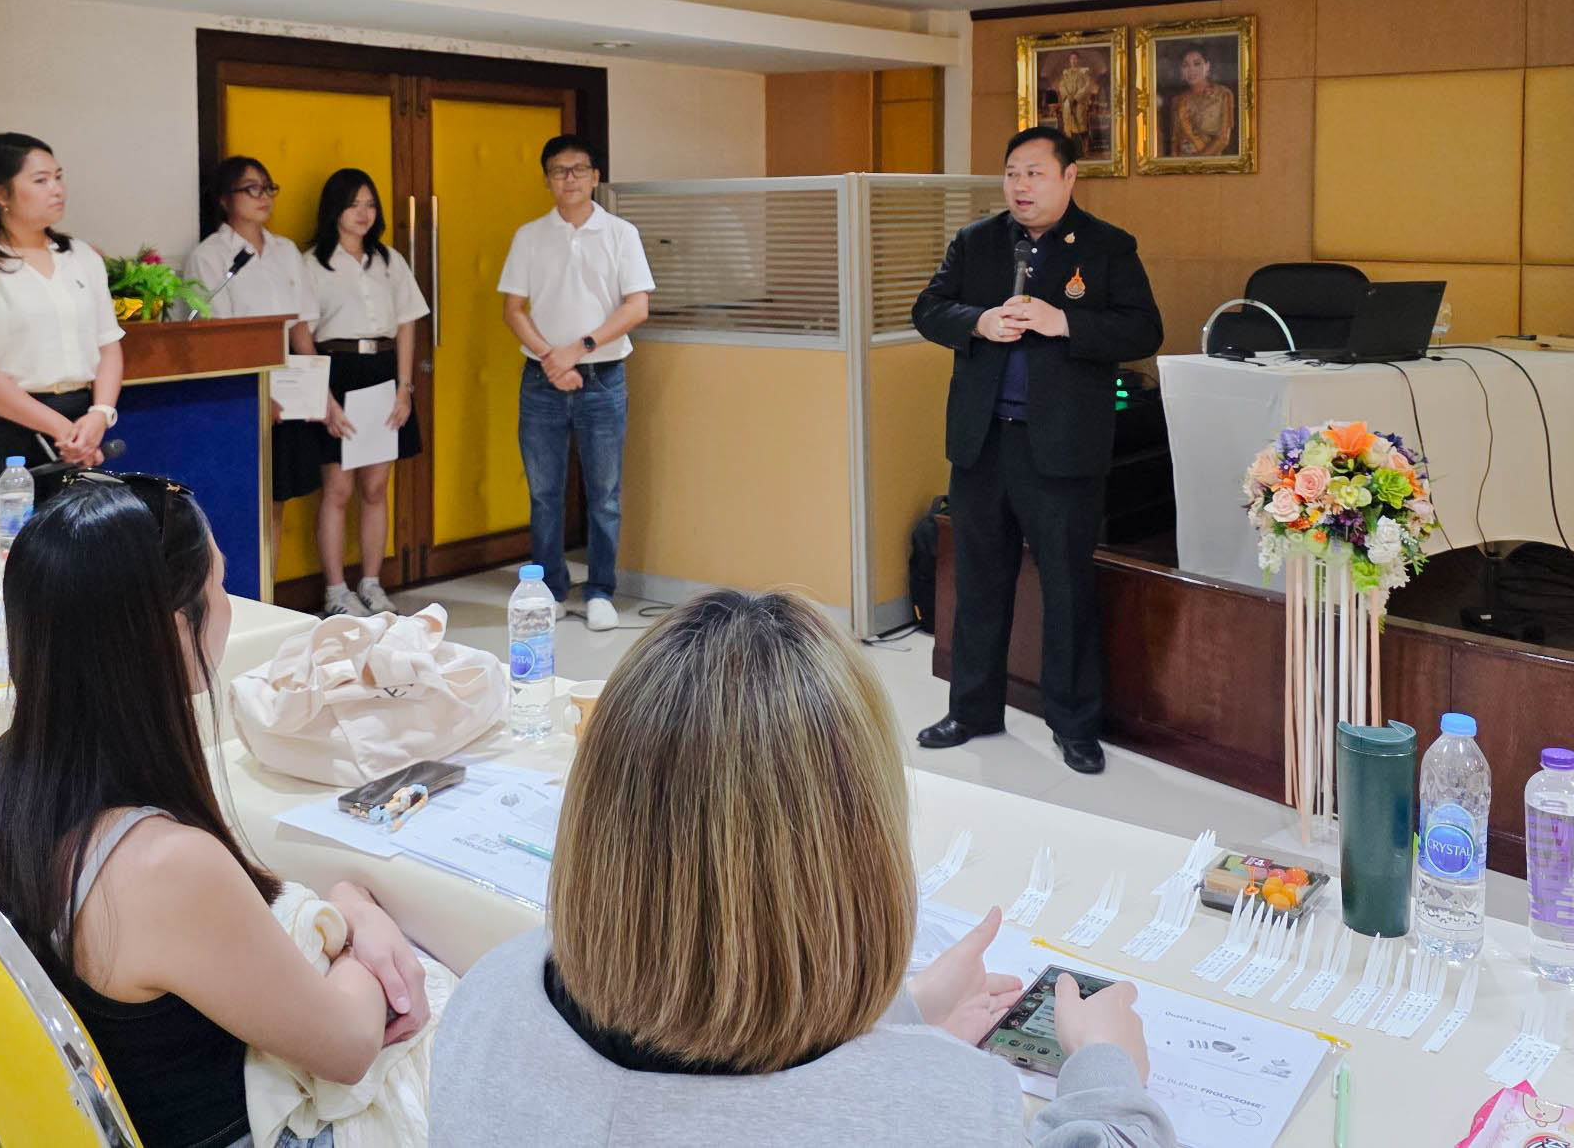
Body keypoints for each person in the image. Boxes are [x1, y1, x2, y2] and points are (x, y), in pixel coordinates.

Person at [429, 588, 1171, 1148]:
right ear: (860, 863)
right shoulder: (947, 1109)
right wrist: (1107, 1070)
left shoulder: (490, 1001)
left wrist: (900, 1013)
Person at [0, 477, 427, 1148]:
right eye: (220, 586)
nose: (228, 607)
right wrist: (361, 915)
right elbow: (349, 1045)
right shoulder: (160, 864)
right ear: (177, 630)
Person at [912, 127, 1163, 776]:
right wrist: (977, 321)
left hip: (1063, 448)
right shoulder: (975, 242)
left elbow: (1144, 329)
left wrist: (1064, 322)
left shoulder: (1107, 246)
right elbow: (928, 308)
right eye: (1012, 173)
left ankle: (1074, 726)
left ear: (1069, 176)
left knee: (1067, 587)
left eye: (1035, 173)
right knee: (977, 580)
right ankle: (972, 710)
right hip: (983, 442)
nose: (1020, 186)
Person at [497, 134, 652, 633]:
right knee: (544, 493)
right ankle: (550, 589)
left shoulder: (621, 234)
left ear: (595, 176)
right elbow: (513, 309)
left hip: (602, 377)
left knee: (604, 494)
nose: (570, 179)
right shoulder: (529, 236)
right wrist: (551, 358)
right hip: (541, 380)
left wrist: (578, 349)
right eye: (559, 171)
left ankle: (601, 589)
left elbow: (637, 306)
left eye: (579, 169)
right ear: (547, 179)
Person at [0, 132, 124, 515]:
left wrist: (100, 414)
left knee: (80, 546)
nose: (57, 189)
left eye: (58, 177)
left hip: (80, 429)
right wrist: (59, 427)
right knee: (4, 548)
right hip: (0, 432)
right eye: (40, 180)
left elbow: (108, 345)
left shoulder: (81, 256)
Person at [303, 170, 427, 619]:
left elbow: (408, 323)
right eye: (354, 204)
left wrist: (404, 387)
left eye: (370, 204)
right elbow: (301, 333)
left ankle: (372, 583)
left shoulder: (389, 259)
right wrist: (323, 398)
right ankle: (336, 591)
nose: (363, 212)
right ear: (334, 208)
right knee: (337, 488)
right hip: (336, 370)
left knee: (376, 487)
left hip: (383, 371)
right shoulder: (312, 263)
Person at [184, 156, 324, 543]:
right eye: (251, 189)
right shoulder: (210, 256)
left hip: (289, 388)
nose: (264, 197)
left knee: (277, 499)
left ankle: (270, 583)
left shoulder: (285, 250)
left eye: (268, 188)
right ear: (224, 199)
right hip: (239, 391)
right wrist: (259, 395)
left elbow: (300, 325)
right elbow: (216, 338)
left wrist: (318, 391)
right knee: (244, 502)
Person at [1170, 46, 1235, 159]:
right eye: (1185, 65)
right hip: (1182, 164)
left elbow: (1223, 139)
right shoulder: (1178, 101)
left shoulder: (1223, 94)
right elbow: (1175, 140)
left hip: (1212, 163)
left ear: (1207, 66)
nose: (1191, 70)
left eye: (1197, 64)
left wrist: (1197, 160)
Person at [1052, 51, 1100, 152]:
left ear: (1078, 60)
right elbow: (1062, 86)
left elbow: (1087, 85)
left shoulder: (1083, 72)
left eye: (1075, 58)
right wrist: (1068, 96)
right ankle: (1070, 149)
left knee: (1081, 124)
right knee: (1068, 124)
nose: (1073, 61)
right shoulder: (1066, 73)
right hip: (1067, 102)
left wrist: (1076, 97)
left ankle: (1084, 148)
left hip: (1079, 102)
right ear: (1069, 61)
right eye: (1071, 59)